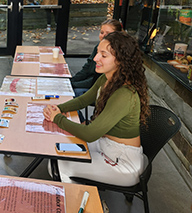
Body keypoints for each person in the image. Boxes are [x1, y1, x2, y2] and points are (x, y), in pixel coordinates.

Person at [43, 31, 149, 186]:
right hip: (105, 145)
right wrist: (57, 108)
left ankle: (84, 206)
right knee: (57, 152)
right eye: (98, 52)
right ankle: (83, 195)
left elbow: (90, 133)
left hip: (122, 162)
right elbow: (84, 100)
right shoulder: (107, 79)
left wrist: (57, 118)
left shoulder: (125, 94)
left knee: (59, 166)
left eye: (103, 55)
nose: (95, 58)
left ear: (120, 60)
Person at [71, 18, 123, 98]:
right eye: (102, 32)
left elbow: (96, 81)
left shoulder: (116, 53)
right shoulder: (98, 47)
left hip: (102, 90)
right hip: (92, 84)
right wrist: (72, 81)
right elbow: (87, 68)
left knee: (74, 93)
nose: (104, 36)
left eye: (108, 33)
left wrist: (73, 84)